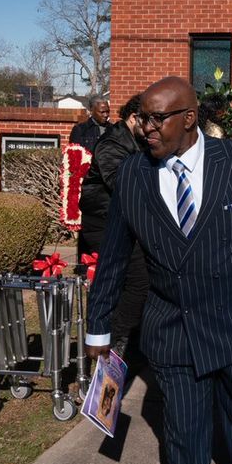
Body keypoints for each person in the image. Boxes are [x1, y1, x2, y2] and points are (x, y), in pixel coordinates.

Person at [86, 76, 232, 464]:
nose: (146, 128)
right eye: (142, 118)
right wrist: (99, 328)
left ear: (189, 118)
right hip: (174, 333)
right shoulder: (133, 173)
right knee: (184, 443)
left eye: (157, 118)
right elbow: (112, 258)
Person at [79, 94, 147, 359]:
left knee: (137, 281)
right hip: (103, 222)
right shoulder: (112, 143)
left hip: (122, 221)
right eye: (149, 120)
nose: (153, 127)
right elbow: (120, 183)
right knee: (138, 280)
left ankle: (128, 341)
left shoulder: (137, 140)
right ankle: (113, 339)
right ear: (134, 118)